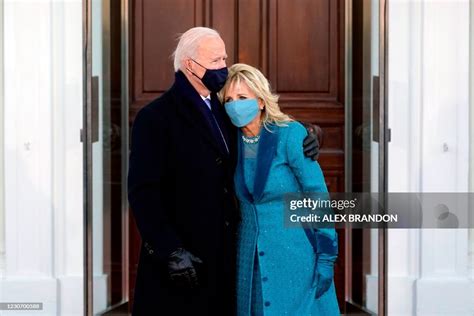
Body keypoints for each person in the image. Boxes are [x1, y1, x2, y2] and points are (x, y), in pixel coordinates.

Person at [127, 27, 320, 315]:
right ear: (191, 65)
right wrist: (170, 250)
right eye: (215, 61)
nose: (223, 67)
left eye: (224, 58)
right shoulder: (155, 118)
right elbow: (143, 193)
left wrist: (308, 131)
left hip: (228, 254)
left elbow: (262, 124)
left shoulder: (223, 107)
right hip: (184, 260)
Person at [219, 63, 340, 315]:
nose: (234, 105)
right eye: (228, 100)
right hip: (248, 258)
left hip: (295, 255)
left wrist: (327, 256)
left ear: (261, 101)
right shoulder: (228, 143)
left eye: (242, 97)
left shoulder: (290, 135)